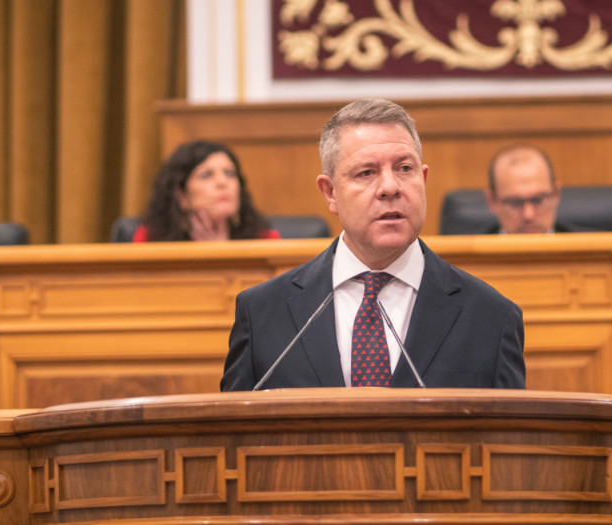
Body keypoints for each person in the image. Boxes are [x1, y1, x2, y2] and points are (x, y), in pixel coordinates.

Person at [221, 98, 525, 391]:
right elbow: (231, 436)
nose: (390, 187)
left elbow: (508, 438)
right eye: (366, 173)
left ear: (424, 178)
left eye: (405, 169)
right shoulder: (262, 313)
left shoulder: (491, 317)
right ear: (330, 192)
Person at [135, 140, 280, 242]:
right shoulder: (151, 239)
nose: (222, 182)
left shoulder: (265, 239)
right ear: (182, 196)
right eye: (206, 175)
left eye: (229, 173)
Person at [484, 144, 594, 234]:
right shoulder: (470, 257)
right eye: (515, 203)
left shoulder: (597, 251)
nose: (528, 215)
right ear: (492, 201)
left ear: (556, 194)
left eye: (538, 200)